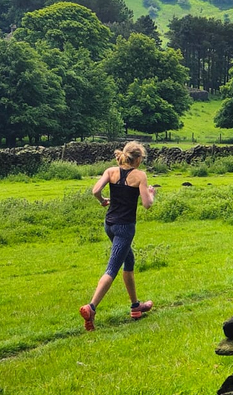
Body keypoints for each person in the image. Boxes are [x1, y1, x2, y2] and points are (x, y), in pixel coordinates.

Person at [79, 141, 155, 331]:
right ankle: (91, 307)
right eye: (141, 159)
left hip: (109, 224)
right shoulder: (140, 176)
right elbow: (147, 204)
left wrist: (102, 200)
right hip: (125, 227)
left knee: (129, 259)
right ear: (137, 159)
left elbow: (96, 191)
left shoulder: (111, 171)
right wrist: (151, 193)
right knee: (113, 268)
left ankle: (135, 306)